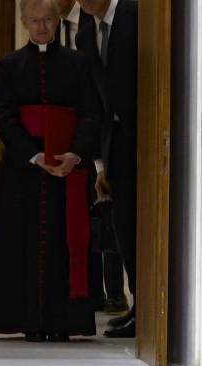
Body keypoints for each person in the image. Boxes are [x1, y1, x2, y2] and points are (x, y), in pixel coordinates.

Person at [0, 0, 102, 342]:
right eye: (34, 20)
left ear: (57, 20)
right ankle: (28, 320)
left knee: (64, 245)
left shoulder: (78, 63)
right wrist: (35, 156)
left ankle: (62, 321)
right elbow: (5, 118)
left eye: (48, 20)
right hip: (23, 171)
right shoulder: (9, 65)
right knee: (23, 243)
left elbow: (91, 114)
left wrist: (75, 154)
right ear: (23, 21)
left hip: (68, 171)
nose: (42, 27)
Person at [57, 0, 128, 316]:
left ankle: (115, 292)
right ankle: (91, 292)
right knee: (84, 213)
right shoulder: (61, 27)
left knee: (107, 210)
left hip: (105, 128)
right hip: (73, 128)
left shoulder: (92, 23)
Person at [76, 0, 137, 337]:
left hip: (145, 138)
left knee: (140, 224)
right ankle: (135, 304)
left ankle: (145, 309)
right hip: (112, 146)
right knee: (122, 225)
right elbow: (94, 101)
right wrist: (99, 165)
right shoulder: (85, 34)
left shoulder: (136, 15)